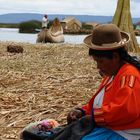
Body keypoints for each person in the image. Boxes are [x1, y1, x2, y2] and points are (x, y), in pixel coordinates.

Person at [67, 23, 140, 140]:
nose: (98, 67)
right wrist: (82, 111)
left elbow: (126, 111)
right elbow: (99, 102)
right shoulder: (112, 74)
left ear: (115, 56)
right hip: (110, 126)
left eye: (100, 61)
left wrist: (94, 118)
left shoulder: (129, 75)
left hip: (126, 133)